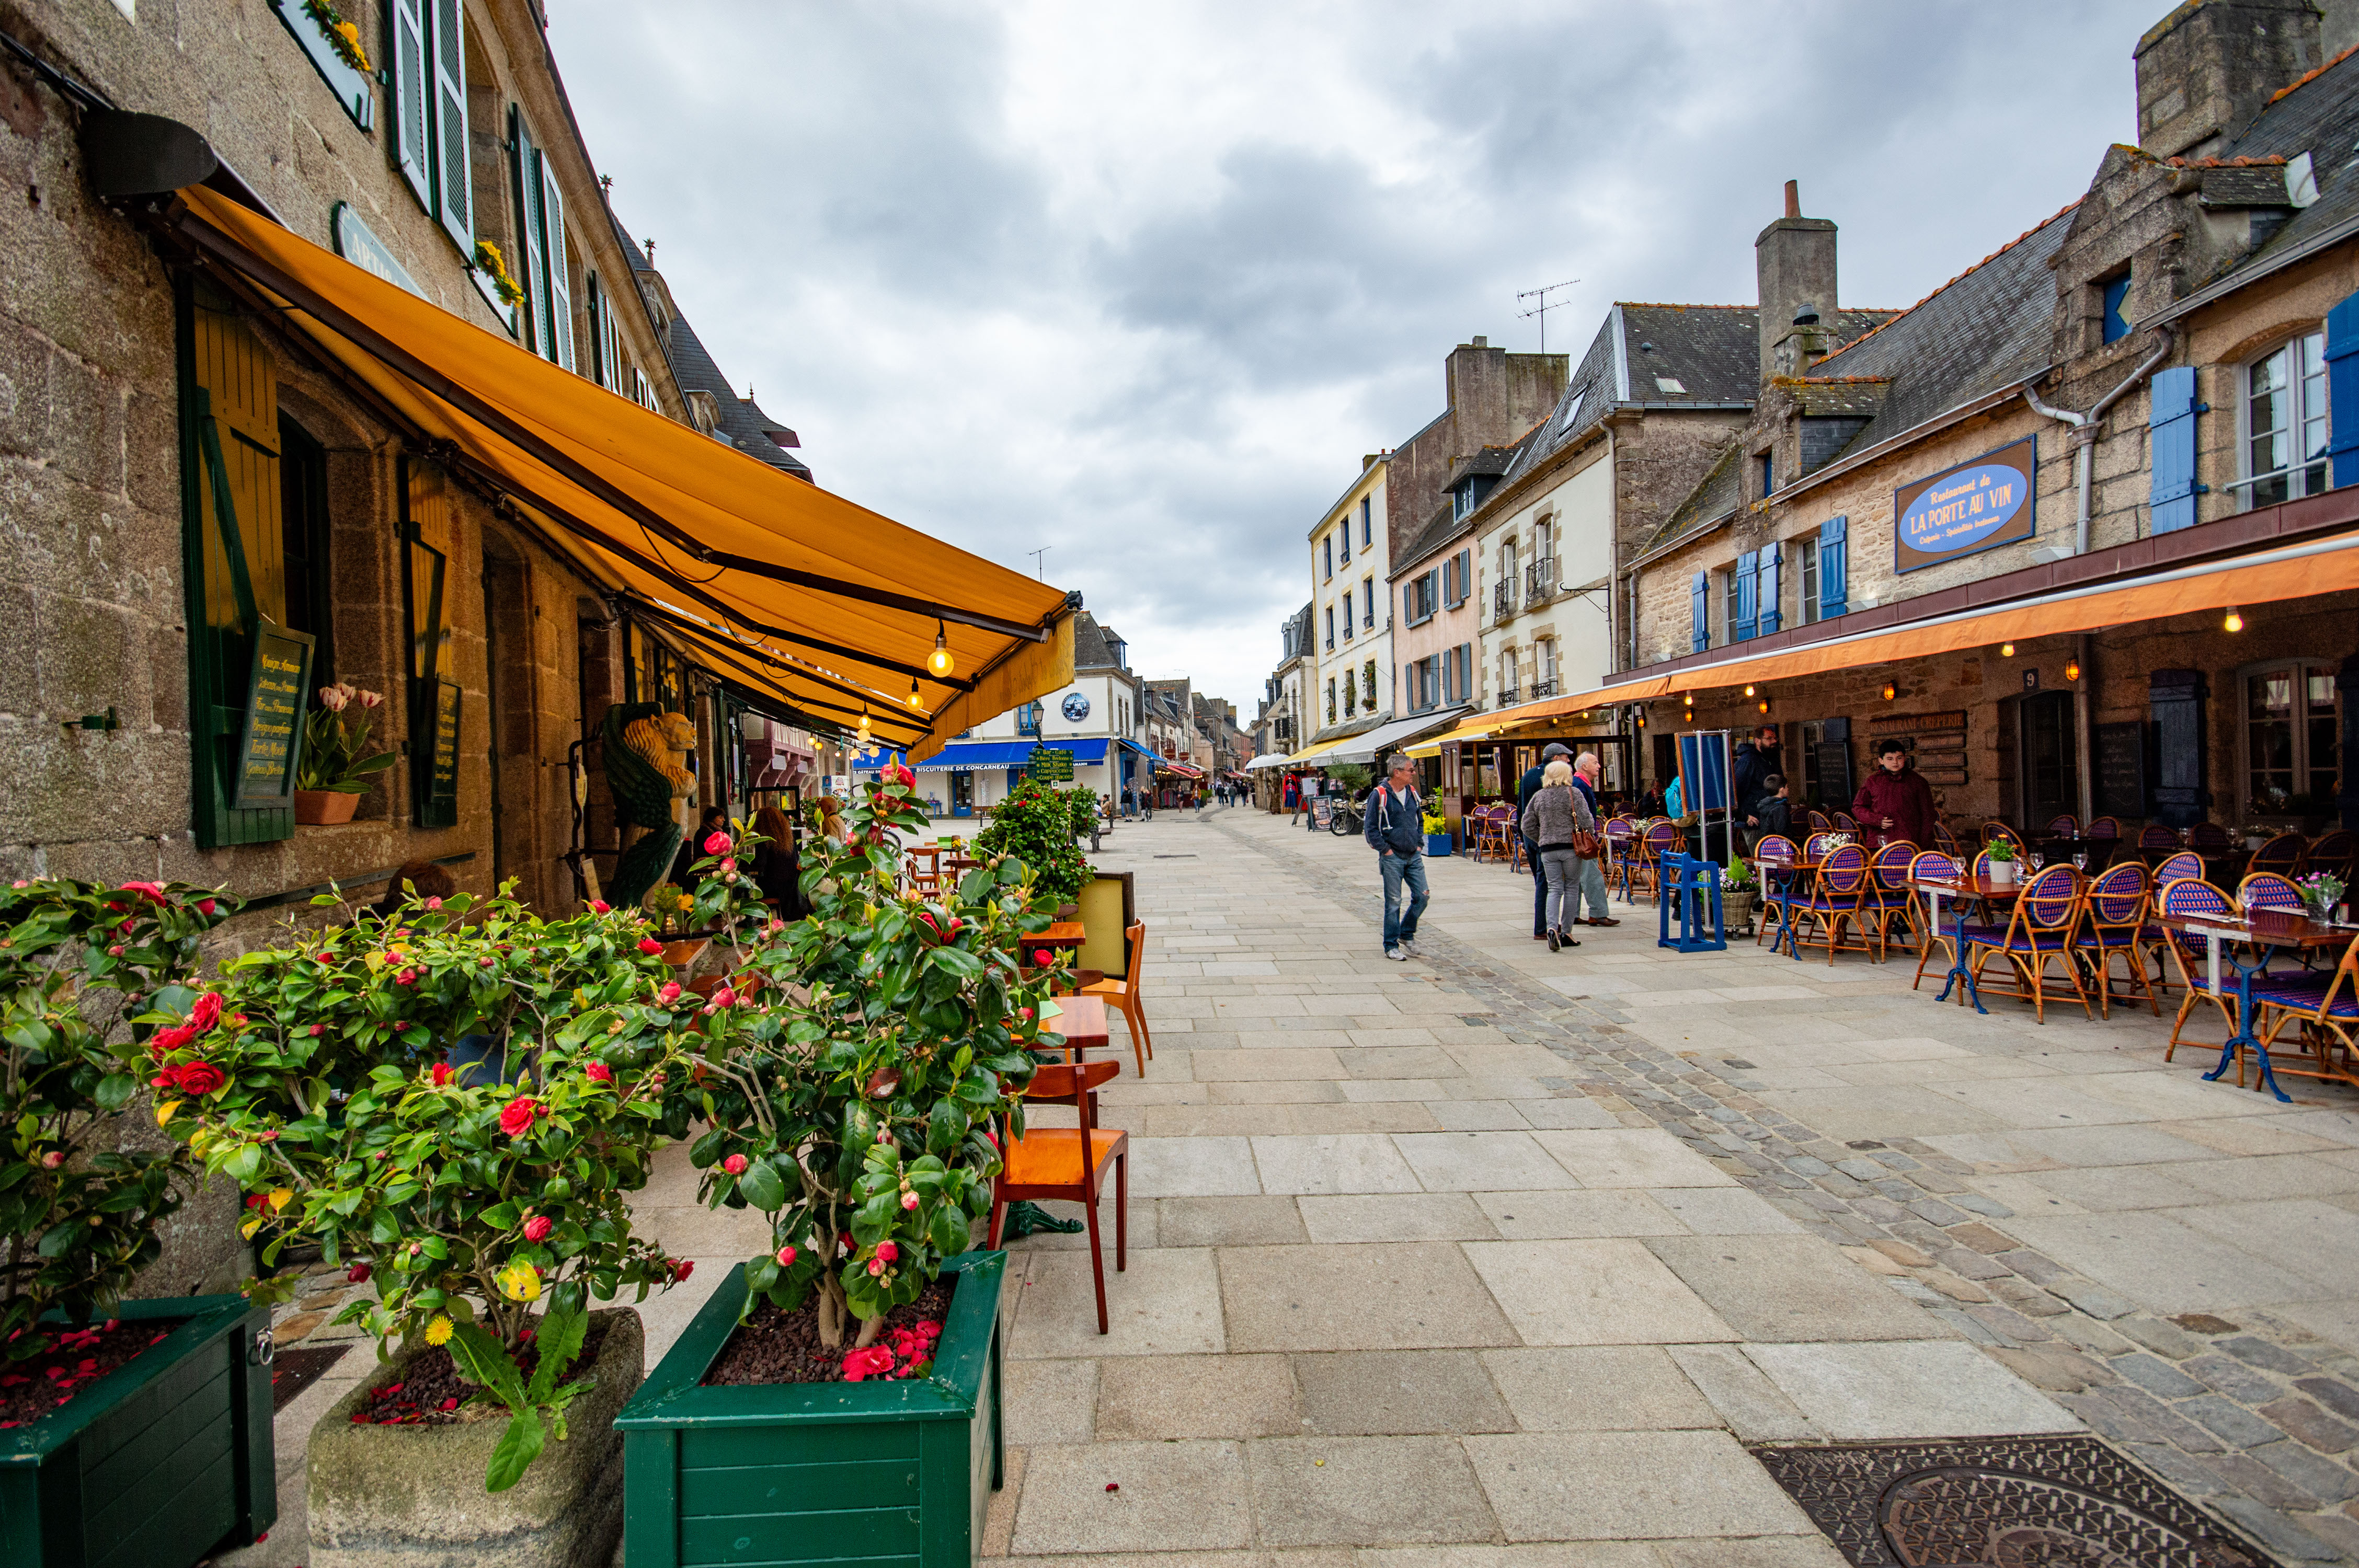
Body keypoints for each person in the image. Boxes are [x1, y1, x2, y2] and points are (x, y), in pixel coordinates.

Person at [1364, 753, 1430, 961]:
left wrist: (1419, 844)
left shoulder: (1412, 792)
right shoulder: (1380, 794)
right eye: (1411, 770)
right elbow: (1371, 828)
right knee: (1393, 902)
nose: (1414, 773)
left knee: (1423, 896)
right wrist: (1386, 850)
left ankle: (1406, 933)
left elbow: (1419, 819)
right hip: (1392, 856)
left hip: (1413, 855)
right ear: (1397, 772)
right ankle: (1391, 945)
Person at [1520, 757, 1590, 952]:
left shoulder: (1540, 796)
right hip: (1570, 849)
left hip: (1548, 850)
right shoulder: (1573, 793)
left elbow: (1526, 825)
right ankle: (1566, 932)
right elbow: (1587, 820)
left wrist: (1541, 837)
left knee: (1554, 889)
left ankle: (1551, 927)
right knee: (1572, 888)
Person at [1516, 743, 1574, 941]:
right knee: (1547, 883)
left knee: (1541, 881)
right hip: (1546, 839)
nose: (1569, 761)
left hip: (1530, 835)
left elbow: (1520, 808)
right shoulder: (1550, 779)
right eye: (1566, 758)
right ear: (1556, 759)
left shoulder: (1528, 775)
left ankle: (1547, 922)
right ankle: (1542, 928)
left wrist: (1523, 836)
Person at [1853, 739, 1939, 849]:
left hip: (1910, 841)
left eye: (1899, 758)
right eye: (1890, 759)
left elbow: (1928, 816)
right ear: (1881, 760)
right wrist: (1876, 820)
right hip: (1879, 842)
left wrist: (1924, 846)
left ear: (1905, 758)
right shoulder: (1872, 782)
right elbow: (1858, 807)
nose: (1895, 762)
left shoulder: (1918, 782)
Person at [1568, 752, 1619, 927]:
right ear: (1584, 766)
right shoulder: (1579, 785)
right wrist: (1591, 834)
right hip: (1583, 838)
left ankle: (1573, 915)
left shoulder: (1579, 784)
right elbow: (1582, 815)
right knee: (1593, 877)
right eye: (1595, 763)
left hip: (1578, 838)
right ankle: (1598, 913)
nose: (1599, 766)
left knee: (1576, 878)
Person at [750, 804, 806, 918]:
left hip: (774, 885)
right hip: (791, 882)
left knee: (755, 886)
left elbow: (761, 863)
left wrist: (746, 863)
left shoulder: (763, 839)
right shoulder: (789, 837)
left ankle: (754, 917)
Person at [369, 858, 454, 921]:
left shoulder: (369, 913)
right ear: (429, 900)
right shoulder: (415, 927)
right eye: (440, 902)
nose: (440, 908)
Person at [671, 805, 729, 888]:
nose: (723, 820)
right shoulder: (705, 832)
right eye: (720, 817)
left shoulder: (713, 831)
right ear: (712, 818)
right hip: (705, 868)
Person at [1733, 725, 1780, 822]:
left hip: (1771, 816)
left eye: (1775, 738)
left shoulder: (1771, 759)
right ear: (1757, 741)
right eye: (1770, 738)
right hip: (1754, 818)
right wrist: (1743, 816)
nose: (1775, 741)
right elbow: (1736, 790)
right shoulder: (1748, 761)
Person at [1748, 774, 1796, 841]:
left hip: (1768, 844)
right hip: (1779, 845)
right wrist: (1796, 844)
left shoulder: (1766, 805)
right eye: (1787, 787)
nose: (1788, 789)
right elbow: (1782, 832)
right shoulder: (1780, 808)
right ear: (1782, 790)